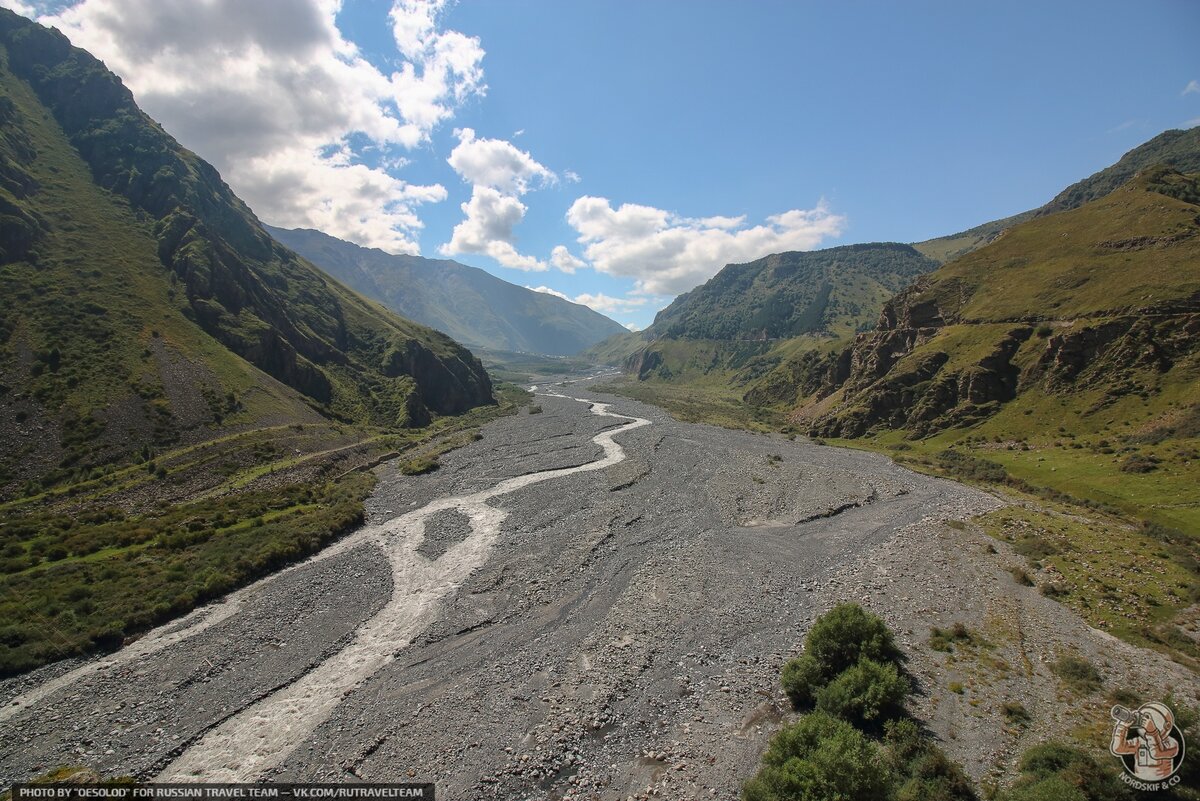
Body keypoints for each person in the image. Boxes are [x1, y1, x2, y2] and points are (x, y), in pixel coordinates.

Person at [1111, 702, 1181, 781]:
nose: (1144, 722)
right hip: (1140, 784)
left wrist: (1152, 732)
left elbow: (1156, 753)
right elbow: (1118, 749)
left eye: (1148, 718)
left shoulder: (1172, 744)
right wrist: (1122, 727)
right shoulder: (1139, 741)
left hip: (1161, 785)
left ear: (1167, 725)